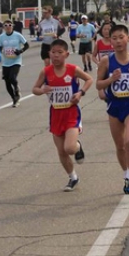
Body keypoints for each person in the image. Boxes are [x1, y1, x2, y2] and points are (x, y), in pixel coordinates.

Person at [32, 38, 92, 191]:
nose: (56, 56)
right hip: (55, 115)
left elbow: (89, 79)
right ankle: (73, 178)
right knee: (61, 151)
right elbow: (35, 89)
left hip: (71, 113)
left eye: (59, 52)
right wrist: (42, 90)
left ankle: (78, 147)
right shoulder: (45, 72)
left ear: (66, 54)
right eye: (53, 52)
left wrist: (80, 93)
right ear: (49, 54)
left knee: (70, 148)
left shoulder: (73, 69)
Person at [96, 23, 129, 195]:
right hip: (114, 106)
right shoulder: (106, 61)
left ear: (128, 38)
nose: (118, 41)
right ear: (110, 41)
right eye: (114, 38)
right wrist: (111, 80)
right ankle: (126, 175)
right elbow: (98, 84)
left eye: (121, 37)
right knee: (119, 146)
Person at [0, 20, 29, 106]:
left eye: (10, 25)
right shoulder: (1, 37)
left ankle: (16, 87)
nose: (8, 26)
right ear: (3, 27)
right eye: (6, 25)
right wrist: (0, 51)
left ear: (12, 26)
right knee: (7, 82)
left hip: (16, 60)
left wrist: (20, 51)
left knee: (12, 78)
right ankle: (14, 98)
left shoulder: (17, 35)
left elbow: (27, 45)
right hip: (6, 62)